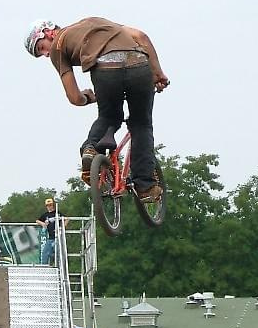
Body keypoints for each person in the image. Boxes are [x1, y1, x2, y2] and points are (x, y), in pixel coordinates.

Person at [24, 17, 169, 202]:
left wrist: (87, 98)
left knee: (109, 116)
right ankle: (145, 187)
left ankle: (91, 149)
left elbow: (74, 97)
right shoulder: (95, 21)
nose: (45, 54)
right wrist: (158, 73)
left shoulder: (58, 47)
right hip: (139, 65)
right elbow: (141, 36)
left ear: (49, 32)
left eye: (41, 47)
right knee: (141, 124)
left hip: (106, 71)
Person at [36, 198, 69, 265]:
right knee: (45, 253)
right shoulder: (45, 215)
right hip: (50, 238)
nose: (49, 207)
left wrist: (62, 227)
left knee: (58, 253)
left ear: (53, 205)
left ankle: (59, 267)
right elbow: (37, 220)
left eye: (50, 205)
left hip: (58, 237)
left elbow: (67, 219)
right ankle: (44, 268)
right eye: (48, 205)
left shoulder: (57, 213)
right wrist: (43, 224)